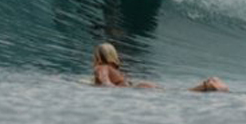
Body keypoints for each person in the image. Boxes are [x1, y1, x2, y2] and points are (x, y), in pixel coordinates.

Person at [92, 42, 228, 92]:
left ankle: (208, 85)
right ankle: (209, 83)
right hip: (142, 85)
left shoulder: (101, 68)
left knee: (180, 93)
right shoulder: (115, 69)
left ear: (98, 56)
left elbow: (107, 85)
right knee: (179, 92)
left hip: (139, 88)